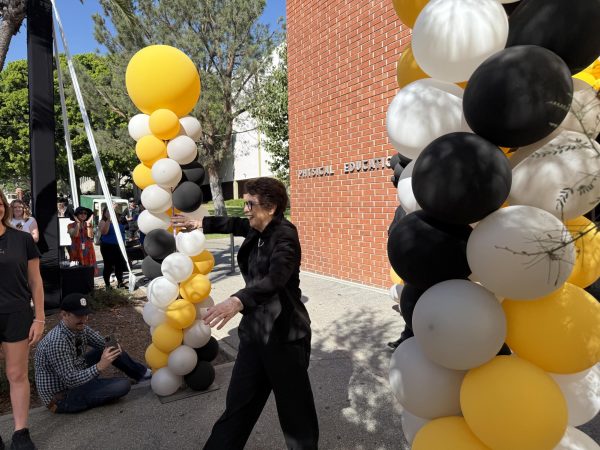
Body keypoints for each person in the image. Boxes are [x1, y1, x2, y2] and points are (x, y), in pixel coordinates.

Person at [172, 177, 319, 450]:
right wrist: (200, 223)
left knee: (296, 415)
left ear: (271, 207)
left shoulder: (285, 235)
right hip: (254, 335)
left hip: (285, 337)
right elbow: (234, 223)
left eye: (250, 204)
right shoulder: (256, 228)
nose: (246, 209)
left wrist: (238, 301)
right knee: (238, 407)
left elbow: (276, 279)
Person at [34, 293, 151, 414]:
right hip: (62, 397)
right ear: (64, 315)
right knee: (123, 385)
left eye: (86, 314)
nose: (84, 319)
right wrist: (100, 366)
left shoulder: (79, 326)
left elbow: (102, 343)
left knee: (111, 348)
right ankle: (97, 387)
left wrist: (113, 344)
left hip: (76, 372)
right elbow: (70, 379)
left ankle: (143, 374)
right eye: (79, 315)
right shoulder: (57, 342)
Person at [0, 188, 45, 449]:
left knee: (16, 374)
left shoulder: (22, 239)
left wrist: (39, 317)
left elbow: (36, 281)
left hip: (17, 313)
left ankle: (21, 432)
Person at [98, 206, 127, 289]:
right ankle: (107, 285)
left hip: (119, 246)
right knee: (108, 266)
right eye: (108, 211)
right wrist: (109, 219)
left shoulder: (119, 220)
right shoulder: (103, 221)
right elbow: (104, 232)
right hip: (107, 246)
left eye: (112, 211)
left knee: (119, 265)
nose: (110, 212)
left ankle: (120, 283)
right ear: (104, 212)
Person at [66, 206, 97, 272]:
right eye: (81, 213)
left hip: (88, 251)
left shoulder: (88, 224)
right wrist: (78, 223)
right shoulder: (70, 225)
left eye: (85, 213)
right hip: (76, 251)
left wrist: (88, 224)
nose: (83, 215)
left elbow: (90, 236)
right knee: (78, 272)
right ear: (76, 215)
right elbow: (75, 235)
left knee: (88, 272)